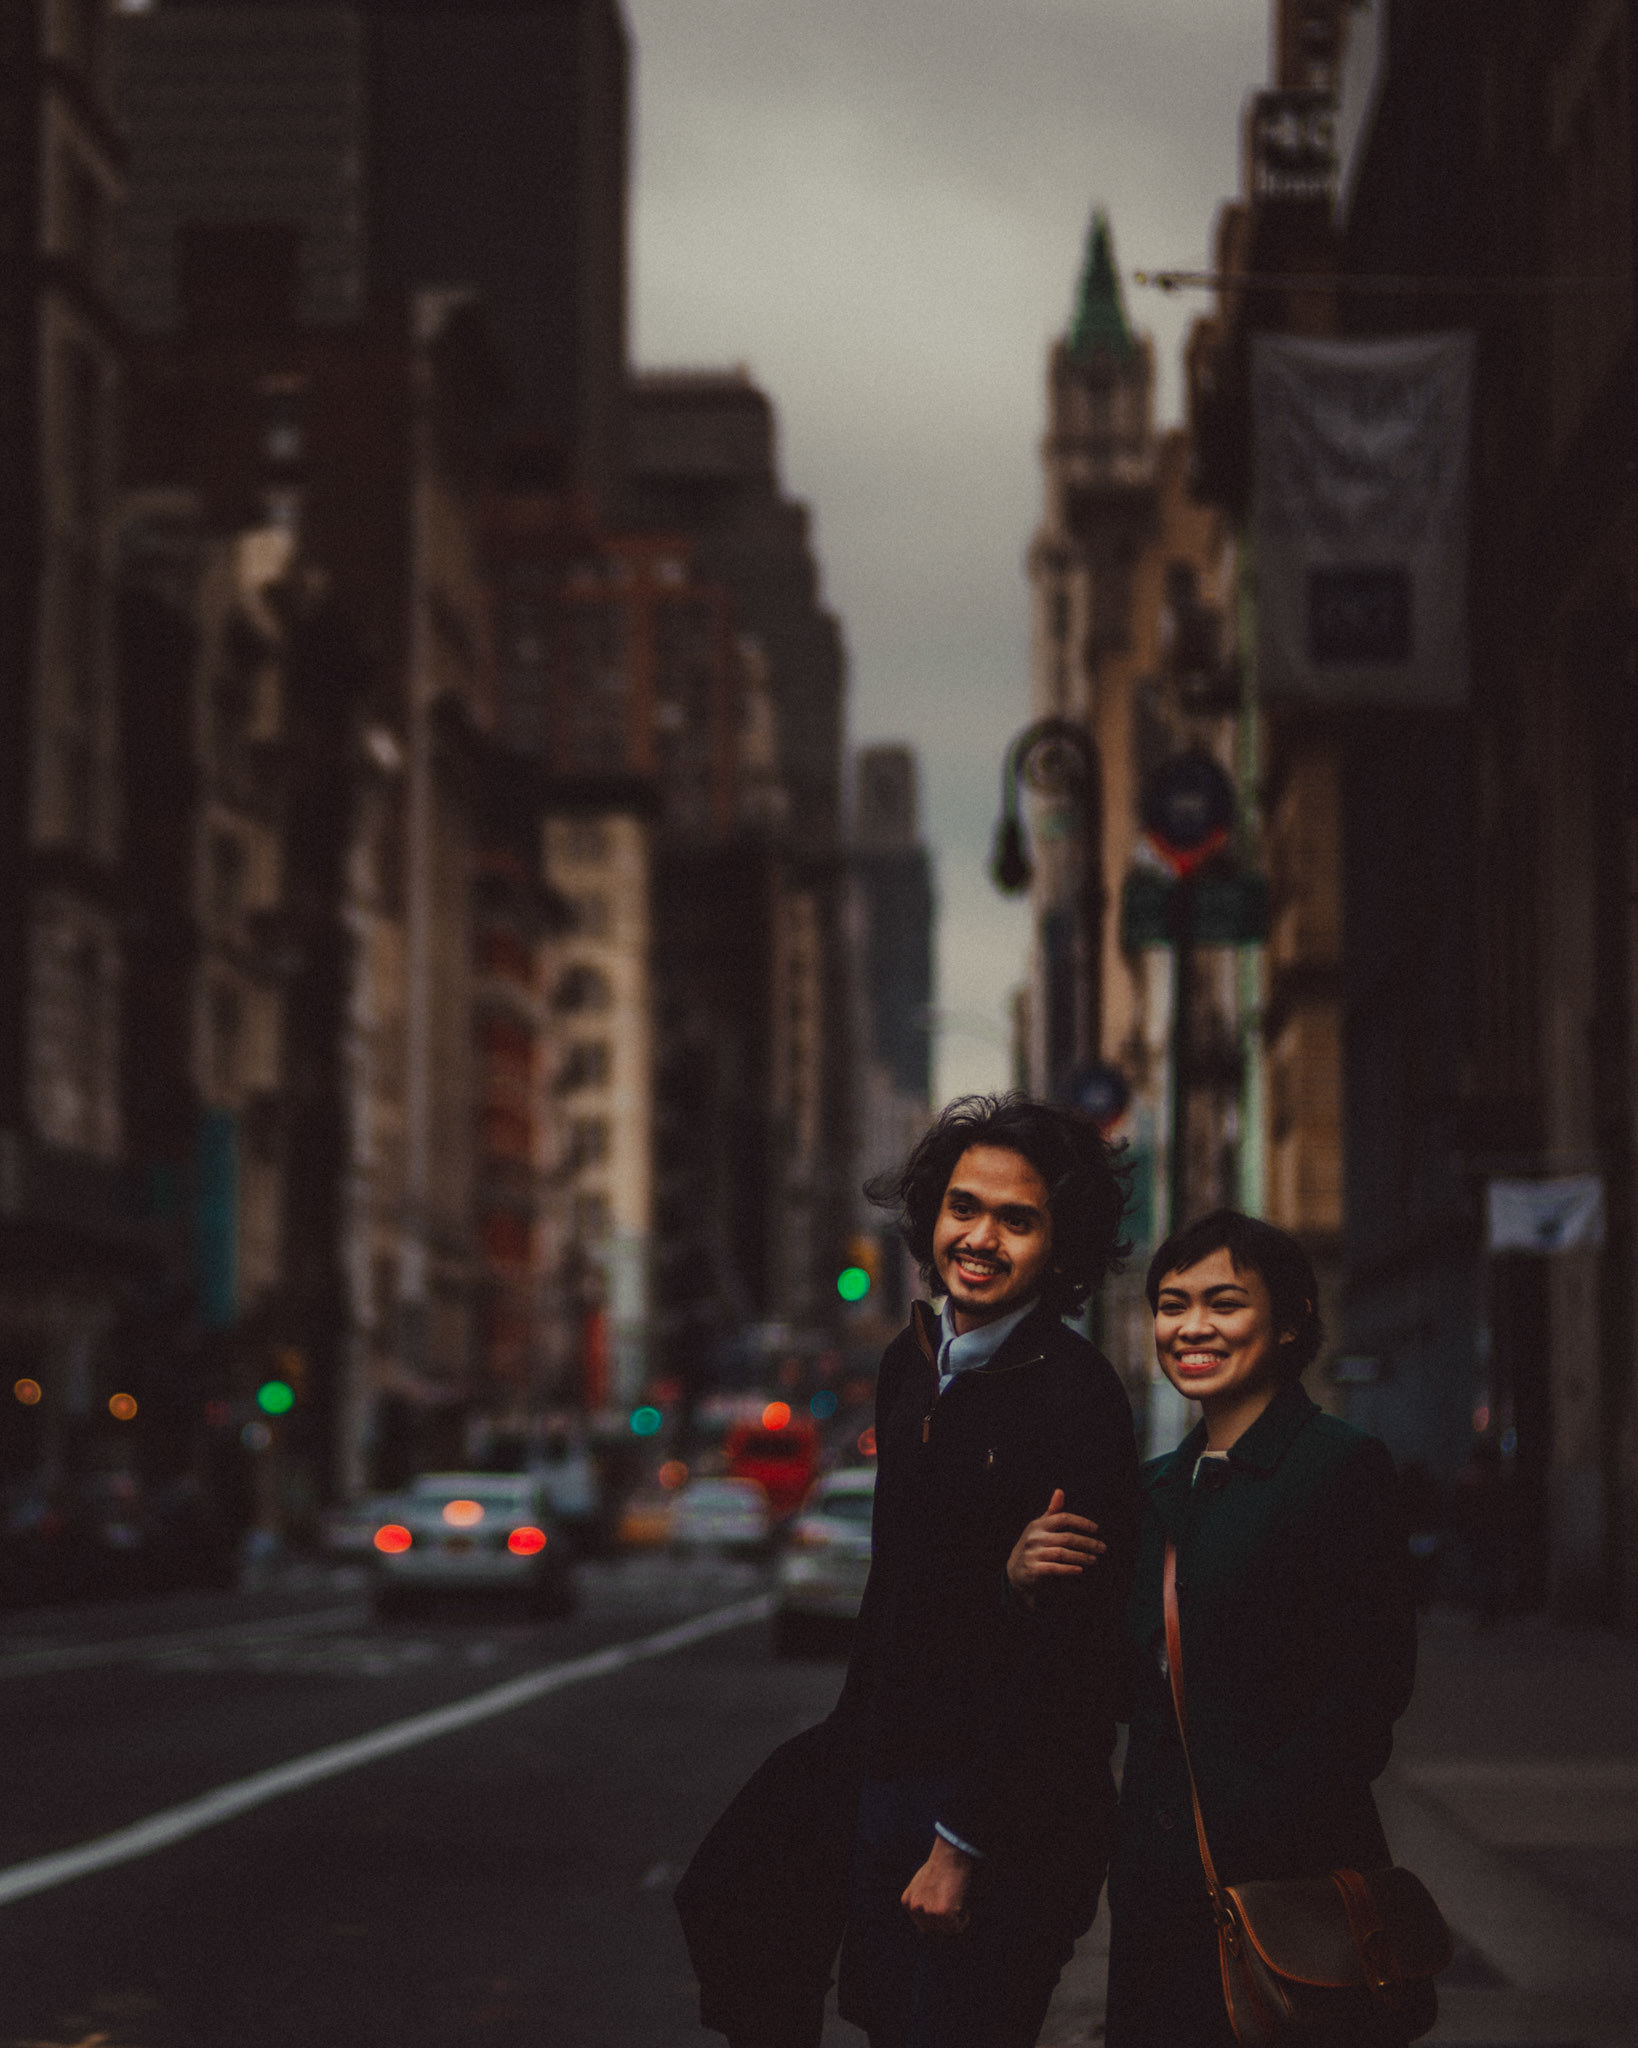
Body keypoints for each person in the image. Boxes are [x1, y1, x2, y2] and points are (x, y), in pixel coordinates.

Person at [1009, 1209, 1417, 2048]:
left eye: (1222, 1303)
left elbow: (1367, 1693)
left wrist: (1252, 1824)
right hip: (1156, 1889)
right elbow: (1114, 1682)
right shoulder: (1151, 1488)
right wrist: (1025, 1581)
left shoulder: (1339, 1467)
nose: (1190, 1327)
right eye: (1170, 1303)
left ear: (1291, 1318)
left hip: (1286, 1883)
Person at [829, 1093, 1141, 2048]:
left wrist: (962, 1845)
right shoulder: (909, 1363)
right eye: (964, 1207)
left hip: (1005, 1820)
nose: (981, 1237)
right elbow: (898, 1596)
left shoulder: (1079, 1400)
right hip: (891, 1784)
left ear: (1062, 1245)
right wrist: (995, 1577)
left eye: (1019, 1219)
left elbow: (1069, 1666)